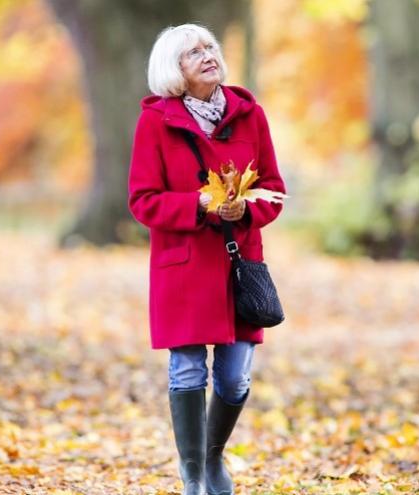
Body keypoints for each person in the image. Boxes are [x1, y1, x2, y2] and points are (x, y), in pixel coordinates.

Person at [127, 23, 285, 495]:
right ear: (173, 70)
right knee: (188, 370)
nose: (206, 55)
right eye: (192, 53)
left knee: (235, 378)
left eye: (209, 47)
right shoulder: (155, 122)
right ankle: (194, 475)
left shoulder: (250, 115)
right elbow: (142, 200)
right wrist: (197, 205)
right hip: (185, 267)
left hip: (239, 264)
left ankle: (213, 457)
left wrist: (247, 210)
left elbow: (273, 191)